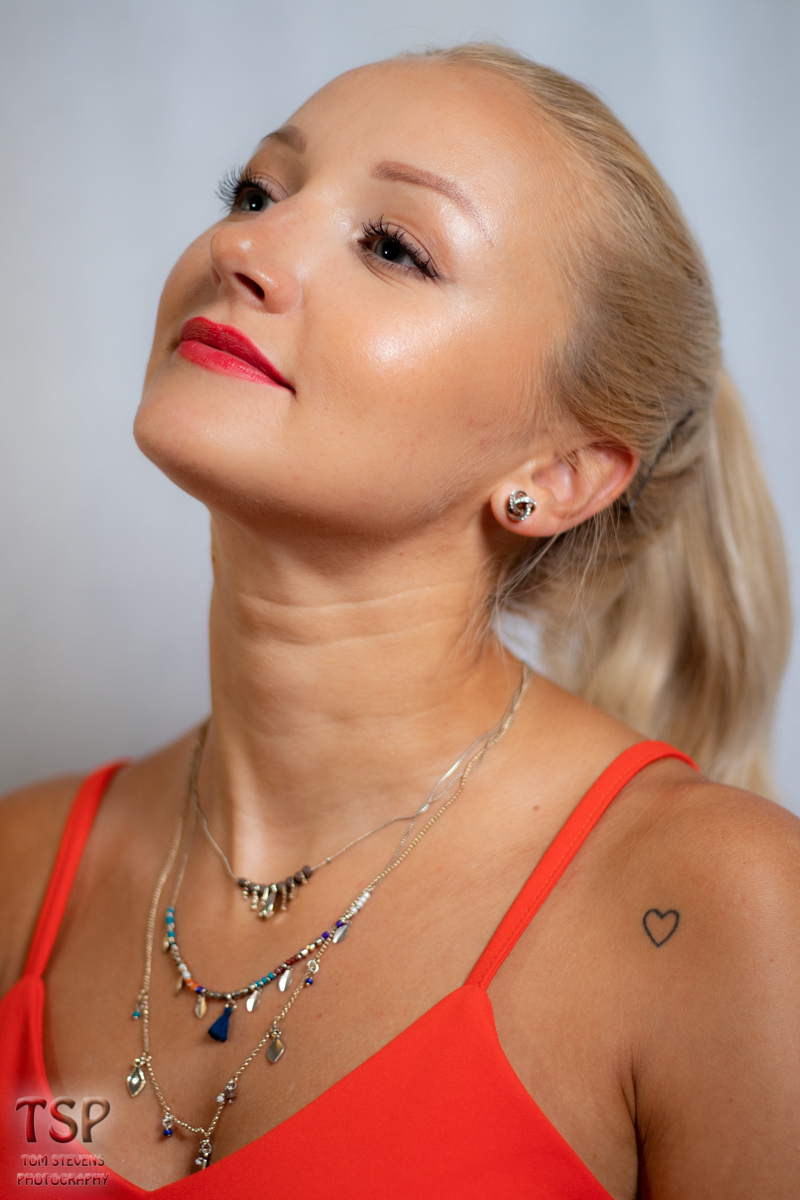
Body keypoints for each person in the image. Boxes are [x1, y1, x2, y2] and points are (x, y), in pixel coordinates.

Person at [0, 42, 797, 1198]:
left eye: (391, 246)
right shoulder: (21, 870)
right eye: (255, 193)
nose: (239, 248)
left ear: (557, 474)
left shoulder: (720, 910)